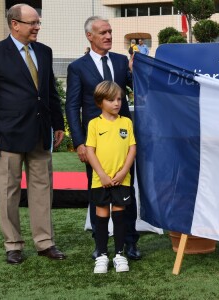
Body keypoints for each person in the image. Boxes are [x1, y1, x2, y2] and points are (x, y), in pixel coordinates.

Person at [0, 3, 65, 265]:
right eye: (32, 23)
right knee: (8, 192)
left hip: (39, 134)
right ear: (15, 24)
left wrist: (57, 124)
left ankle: (45, 242)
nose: (37, 27)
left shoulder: (45, 52)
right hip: (6, 136)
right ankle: (12, 244)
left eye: (38, 23)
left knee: (43, 190)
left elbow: (50, 93)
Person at [66, 16, 141, 261]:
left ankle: (130, 242)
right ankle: (100, 245)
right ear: (90, 36)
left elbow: (137, 88)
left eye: (110, 31)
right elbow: (72, 106)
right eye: (103, 32)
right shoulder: (77, 67)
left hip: (123, 141)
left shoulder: (121, 62)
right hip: (94, 144)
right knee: (97, 193)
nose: (108, 36)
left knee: (126, 191)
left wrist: (136, 71)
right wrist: (79, 143)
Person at [86, 81, 136, 273]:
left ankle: (119, 255)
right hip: (101, 181)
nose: (117, 103)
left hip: (122, 180)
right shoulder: (94, 124)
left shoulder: (127, 122)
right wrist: (102, 175)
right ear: (100, 102)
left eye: (119, 99)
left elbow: (132, 148)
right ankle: (102, 255)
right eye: (111, 100)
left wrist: (123, 172)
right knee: (101, 217)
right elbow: (90, 151)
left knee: (120, 216)